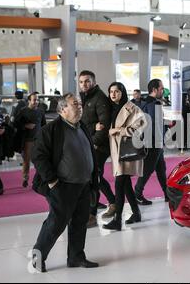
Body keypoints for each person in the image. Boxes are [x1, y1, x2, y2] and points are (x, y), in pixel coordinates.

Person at [31, 93, 99, 273]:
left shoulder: (81, 126)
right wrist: (52, 181)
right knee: (55, 224)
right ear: (62, 110)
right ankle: (38, 258)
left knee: (80, 222)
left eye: (79, 103)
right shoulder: (51, 130)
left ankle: (76, 257)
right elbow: (38, 156)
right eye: (74, 104)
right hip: (63, 186)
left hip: (83, 184)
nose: (79, 106)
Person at [101, 82, 147, 231]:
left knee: (119, 185)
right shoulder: (109, 109)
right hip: (117, 152)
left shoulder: (132, 108)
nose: (113, 94)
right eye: (111, 91)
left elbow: (141, 125)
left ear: (123, 92)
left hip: (126, 151)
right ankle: (136, 213)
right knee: (125, 184)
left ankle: (117, 220)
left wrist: (118, 130)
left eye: (117, 91)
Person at [78, 70, 115, 227]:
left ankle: (91, 215)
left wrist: (93, 143)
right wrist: (93, 127)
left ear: (93, 81)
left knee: (93, 177)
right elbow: (89, 123)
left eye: (87, 81)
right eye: (81, 82)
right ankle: (113, 203)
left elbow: (105, 125)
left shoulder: (99, 98)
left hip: (99, 145)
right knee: (96, 176)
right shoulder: (86, 98)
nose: (84, 84)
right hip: (91, 143)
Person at [134, 79, 168, 205]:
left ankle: (167, 193)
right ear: (154, 90)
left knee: (161, 168)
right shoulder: (154, 104)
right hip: (154, 141)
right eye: (161, 88)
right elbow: (155, 124)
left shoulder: (143, 103)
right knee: (148, 168)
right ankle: (137, 194)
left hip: (148, 140)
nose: (163, 91)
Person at [15, 92, 46, 187]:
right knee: (27, 160)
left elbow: (43, 125)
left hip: (39, 140)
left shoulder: (41, 111)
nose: (36, 101)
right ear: (29, 101)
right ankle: (25, 178)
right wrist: (25, 126)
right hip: (27, 140)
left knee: (40, 160)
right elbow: (16, 124)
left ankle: (40, 179)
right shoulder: (23, 111)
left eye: (37, 100)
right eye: (34, 100)